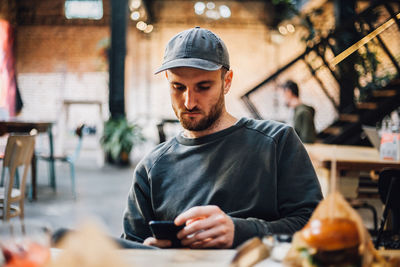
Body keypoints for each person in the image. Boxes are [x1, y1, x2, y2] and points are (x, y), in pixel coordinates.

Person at [122, 27, 322, 249]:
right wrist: (149, 255)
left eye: (203, 87)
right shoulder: (151, 169)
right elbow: (130, 248)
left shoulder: (276, 143)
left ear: (227, 81)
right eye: (178, 87)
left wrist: (243, 232)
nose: (189, 102)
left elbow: (317, 227)